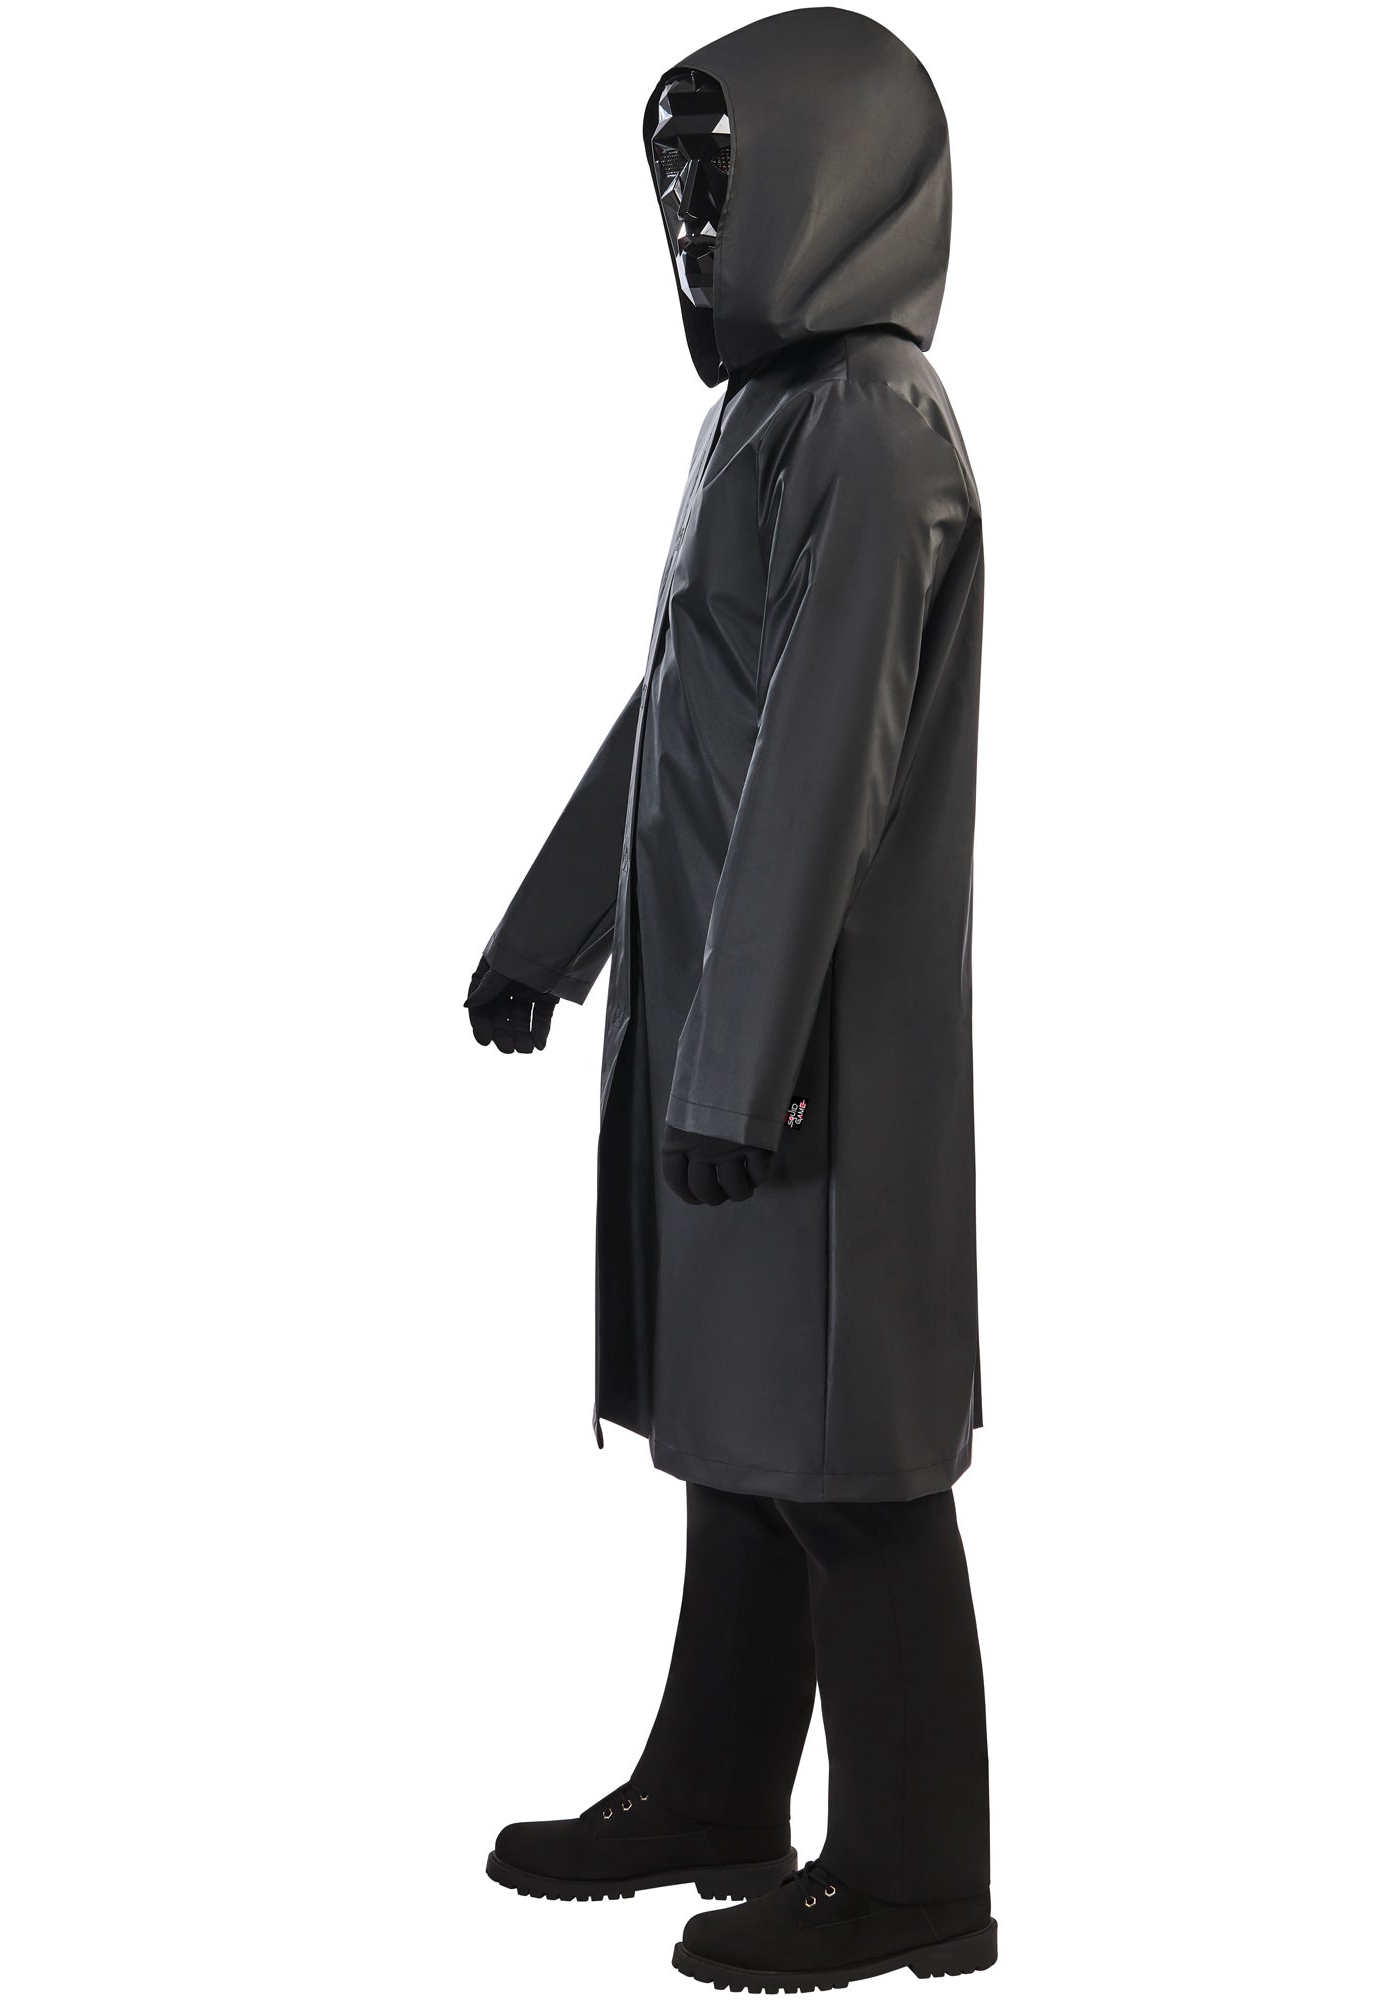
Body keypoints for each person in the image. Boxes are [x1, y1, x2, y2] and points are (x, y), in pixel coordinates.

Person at [466, 10, 994, 1986]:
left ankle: (920, 1875)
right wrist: (548, 938)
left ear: (840, 182)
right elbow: (686, 720)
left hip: (809, 1064)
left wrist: (740, 1065)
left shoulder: (872, 423)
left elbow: (824, 761)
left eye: (724, 175)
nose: (690, 219)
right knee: (744, 1439)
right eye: (674, 182)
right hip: (724, 1033)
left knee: (853, 1473)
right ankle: (713, 1787)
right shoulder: (770, 422)